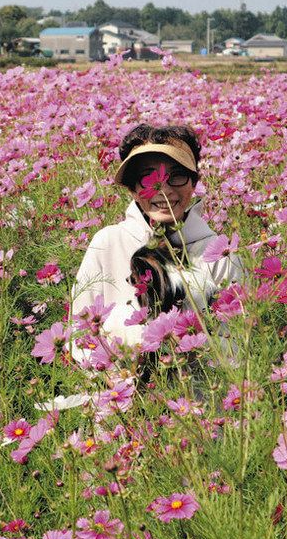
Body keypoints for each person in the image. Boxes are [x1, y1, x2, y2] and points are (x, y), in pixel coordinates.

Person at [70, 124, 244, 362]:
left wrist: (187, 347)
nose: (163, 189)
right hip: (119, 391)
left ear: (194, 182)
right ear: (132, 189)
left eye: (178, 176)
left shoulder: (220, 253)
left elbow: (239, 341)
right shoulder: (108, 243)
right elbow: (79, 334)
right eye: (148, 178)